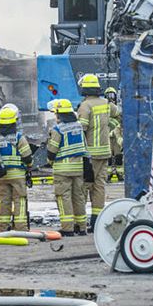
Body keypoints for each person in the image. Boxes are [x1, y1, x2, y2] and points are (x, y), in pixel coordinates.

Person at [76, 74, 121, 232]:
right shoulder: (106, 104)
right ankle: (97, 221)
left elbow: (81, 130)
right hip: (105, 152)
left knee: (84, 187)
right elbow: (120, 114)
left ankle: (80, 223)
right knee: (99, 187)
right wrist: (110, 126)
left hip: (89, 155)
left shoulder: (85, 106)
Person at [47, 98, 88, 236]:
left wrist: (49, 160)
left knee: (64, 198)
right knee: (79, 197)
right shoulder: (79, 126)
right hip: (78, 168)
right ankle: (81, 227)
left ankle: (67, 228)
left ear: (59, 114)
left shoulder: (58, 129)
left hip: (62, 170)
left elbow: (52, 150)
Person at [0, 105, 33, 231]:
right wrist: (29, 167)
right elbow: (27, 156)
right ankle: (21, 227)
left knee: (4, 202)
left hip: (2, 176)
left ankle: (3, 228)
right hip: (18, 175)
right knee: (19, 200)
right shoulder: (18, 137)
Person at [104, 87, 124, 182]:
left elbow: (120, 119)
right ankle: (109, 174)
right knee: (108, 156)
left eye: (112, 95)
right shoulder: (104, 107)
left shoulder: (117, 108)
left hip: (116, 135)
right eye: (108, 95)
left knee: (118, 155)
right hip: (107, 135)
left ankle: (119, 174)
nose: (110, 98)